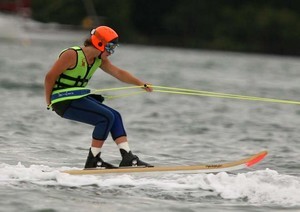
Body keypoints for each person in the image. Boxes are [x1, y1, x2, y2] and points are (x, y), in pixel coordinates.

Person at [44, 26, 153, 169]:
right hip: (62, 101)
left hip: (77, 98)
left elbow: (118, 73)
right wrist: (49, 102)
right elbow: (49, 77)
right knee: (106, 117)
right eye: (110, 48)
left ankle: (128, 157)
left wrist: (140, 84)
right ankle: (93, 160)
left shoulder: (98, 60)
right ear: (99, 43)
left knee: (115, 116)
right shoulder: (72, 55)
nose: (111, 52)